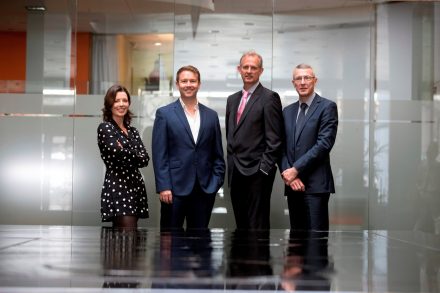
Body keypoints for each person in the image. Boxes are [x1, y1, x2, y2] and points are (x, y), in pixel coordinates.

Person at [152, 65, 225, 230]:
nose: (188, 84)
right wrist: (164, 186)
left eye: (192, 81)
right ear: (177, 84)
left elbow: (217, 154)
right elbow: (159, 154)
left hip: (204, 190)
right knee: (170, 244)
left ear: (199, 84)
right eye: (184, 81)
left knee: (200, 244)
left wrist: (215, 183)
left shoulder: (211, 116)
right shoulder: (164, 114)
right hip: (173, 190)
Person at [225, 51, 284, 230]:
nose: (249, 71)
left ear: (261, 71)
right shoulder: (232, 100)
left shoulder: (269, 98)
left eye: (253, 67)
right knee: (241, 226)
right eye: (245, 67)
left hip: (257, 175)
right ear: (239, 69)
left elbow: (275, 139)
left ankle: (258, 260)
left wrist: (263, 170)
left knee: (256, 227)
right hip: (236, 173)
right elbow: (231, 136)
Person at [280, 64, 338, 231]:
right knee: (296, 245)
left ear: (315, 80)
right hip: (293, 185)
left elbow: (324, 144)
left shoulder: (327, 107)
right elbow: (280, 147)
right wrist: (289, 174)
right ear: (293, 83)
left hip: (316, 187)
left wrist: (295, 169)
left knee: (315, 246)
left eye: (307, 78)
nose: (303, 82)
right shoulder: (287, 111)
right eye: (299, 78)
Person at [97, 84, 150, 229]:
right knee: (126, 237)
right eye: (117, 100)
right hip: (118, 187)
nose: (121, 104)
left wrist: (124, 149)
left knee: (129, 242)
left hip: (136, 187)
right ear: (109, 104)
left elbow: (144, 160)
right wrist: (133, 153)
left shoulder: (133, 131)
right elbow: (118, 154)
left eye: (125, 100)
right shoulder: (105, 128)